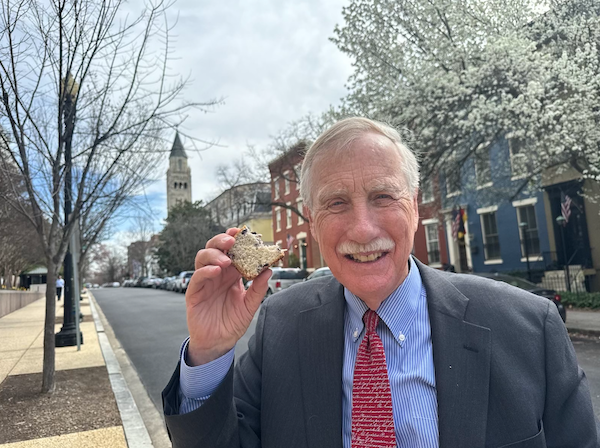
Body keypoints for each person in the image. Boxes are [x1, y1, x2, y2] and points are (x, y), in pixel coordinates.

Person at [162, 117, 600, 447]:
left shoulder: (529, 327)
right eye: (336, 203)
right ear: (312, 222)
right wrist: (209, 352)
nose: (363, 229)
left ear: (412, 206)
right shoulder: (281, 325)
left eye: (383, 197)